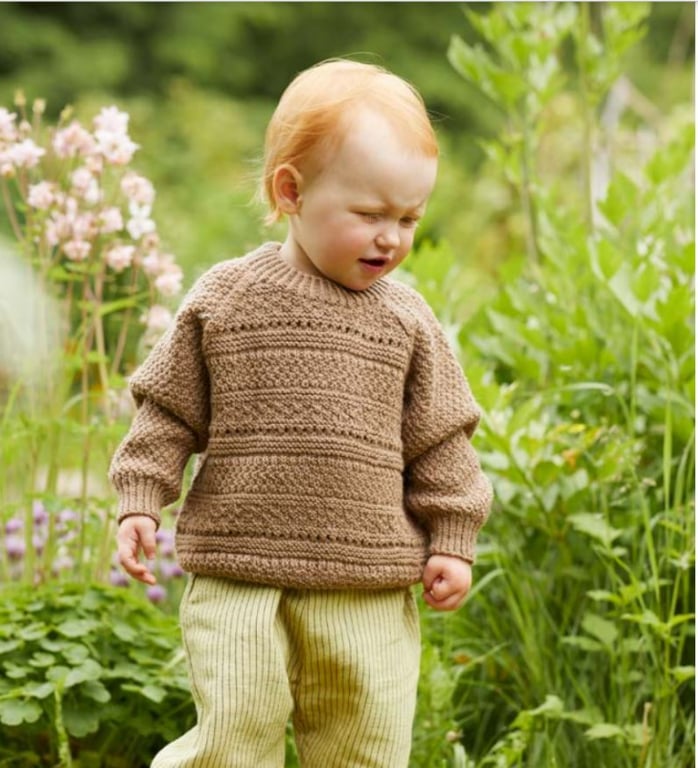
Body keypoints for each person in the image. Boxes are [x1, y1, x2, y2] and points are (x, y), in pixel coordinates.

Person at [109, 58, 493, 768]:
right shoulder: (227, 299)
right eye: (371, 214)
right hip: (238, 576)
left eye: (409, 217)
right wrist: (141, 498)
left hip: (367, 584)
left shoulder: (407, 321)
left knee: (364, 743)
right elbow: (166, 412)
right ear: (292, 190)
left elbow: (441, 441)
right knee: (232, 738)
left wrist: (451, 535)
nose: (392, 237)